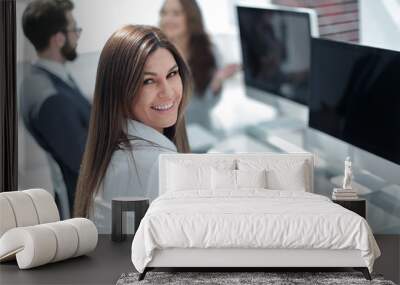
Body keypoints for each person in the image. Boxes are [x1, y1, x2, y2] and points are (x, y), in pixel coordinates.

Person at [73, 25, 191, 233]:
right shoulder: (156, 165)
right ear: (120, 91)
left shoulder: (113, 150)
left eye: (172, 74)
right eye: (148, 81)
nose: (168, 92)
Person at [20, 0, 90, 214]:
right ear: (59, 39)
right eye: (74, 29)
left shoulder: (40, 79)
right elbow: (85, 164)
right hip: (83, 209)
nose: (77, 35)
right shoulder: (52, 99)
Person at [159, 0, 239, 130]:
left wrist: (217, 81)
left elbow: (207, 105)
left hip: (200, 130)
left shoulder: (209, 51)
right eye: (164, 13)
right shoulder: (155, 54)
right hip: (166, 133)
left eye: (176, 13)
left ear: (191, 18)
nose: (167, 19)